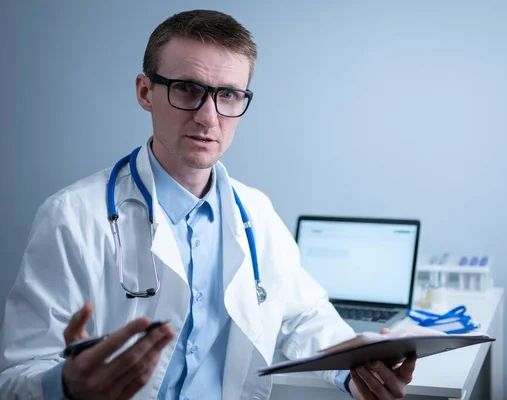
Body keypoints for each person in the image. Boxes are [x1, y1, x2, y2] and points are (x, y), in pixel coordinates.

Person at [0, 9, 416, 400]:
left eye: (229, 95)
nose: (208, 117)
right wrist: (66, 385)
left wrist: (356, 371)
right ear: (146, 92)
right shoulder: (72, 218)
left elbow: (303, 318)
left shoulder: (256, 213)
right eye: (187, 89)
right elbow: (18, 376)